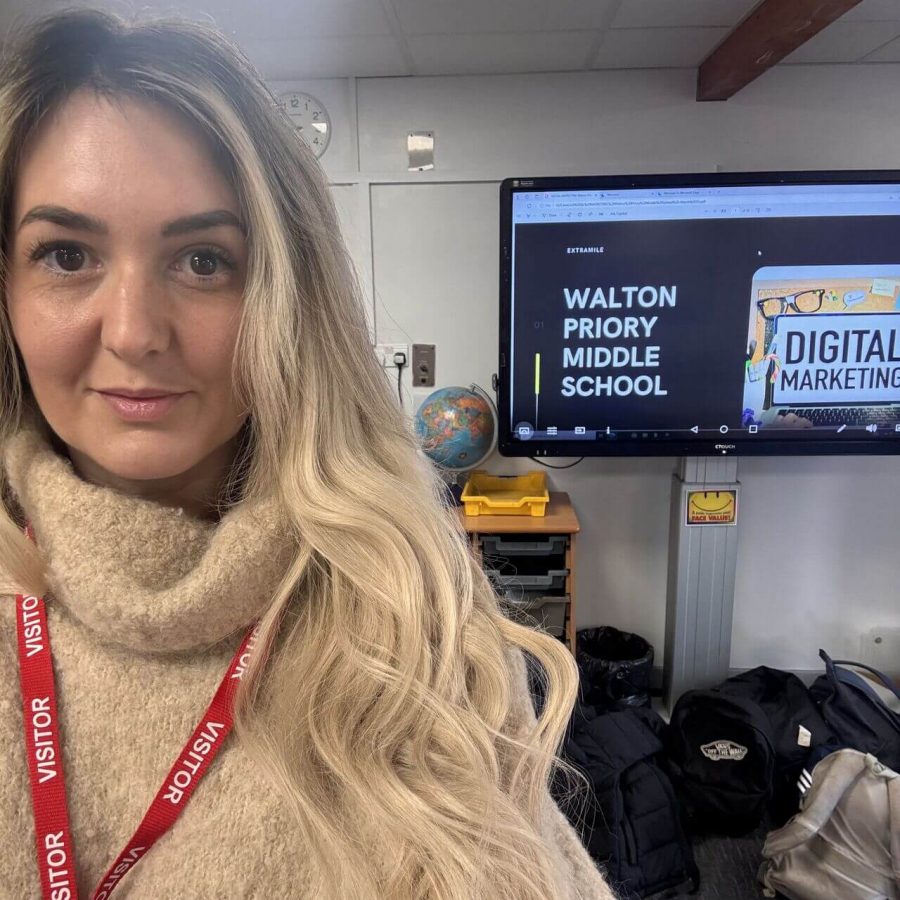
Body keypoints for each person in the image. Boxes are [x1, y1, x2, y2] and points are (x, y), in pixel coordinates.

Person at [0, 10, 614, 899]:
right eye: (66, 254)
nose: (133, 332)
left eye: (203, 261)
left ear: (289, 299)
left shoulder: (411, 610)